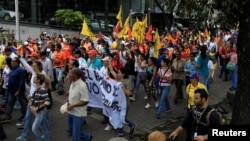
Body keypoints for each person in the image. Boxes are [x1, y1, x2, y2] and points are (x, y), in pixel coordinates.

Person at [66, 68, 92, 141]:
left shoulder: (82, 86)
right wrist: (68, 100)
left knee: (75, 136)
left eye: (71, 73)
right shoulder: (72, 82)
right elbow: (72, 95)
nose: (69, 75)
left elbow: (85, 101)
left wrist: (73, 105)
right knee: (73, 131)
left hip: (78, 114)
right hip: (70, 112)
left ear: (76, 75)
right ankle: (87, 137)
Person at [1, 57, 26, 123]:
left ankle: (25, 116)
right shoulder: (13, 69)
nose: (11, 62)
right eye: (11, 61)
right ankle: (8, 117)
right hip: (11, 90)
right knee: (10, 103)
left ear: (17, 63)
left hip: (18, 91)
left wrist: (18, 91)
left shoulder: (20, 70)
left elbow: (21, 81)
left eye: (13, 61)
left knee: (22, 103)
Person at [30, 74, 51, 141]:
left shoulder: (42, 90)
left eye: (35, 78)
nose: (33, 78)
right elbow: (35, 99)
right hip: (38, 111)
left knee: (34, 128)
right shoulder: (37, 89)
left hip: (40, 111)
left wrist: (37, 108)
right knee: (44, 127)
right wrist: (30, 103)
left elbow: (47, 102)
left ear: (38, 80)